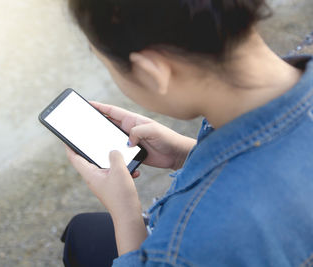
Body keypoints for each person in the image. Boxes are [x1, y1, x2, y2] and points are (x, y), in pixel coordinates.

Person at [60, 0, 313, 266]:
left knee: (83, 236)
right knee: (84, 231)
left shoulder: (188, 241)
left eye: (106, 64)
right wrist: (187, 153)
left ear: (151, 72)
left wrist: (125, 211)